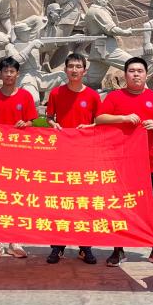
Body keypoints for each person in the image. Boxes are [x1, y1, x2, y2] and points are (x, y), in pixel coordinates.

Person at [95, 56, 153, 267]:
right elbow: (99, 119)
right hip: (121, 162)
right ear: (125, 75)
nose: (136, 74)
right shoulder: (115, 97)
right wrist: (122, 118)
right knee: (119, 204)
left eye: (140, 71)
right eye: (131, 71)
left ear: (146, 74)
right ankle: (118, 249)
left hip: (151, 161)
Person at [44, 52, 102, 265]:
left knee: (83, 202)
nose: (74, 70)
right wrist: (54, 125)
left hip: (85, 155)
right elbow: (49, 118)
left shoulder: (93, 96)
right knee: (61, 201)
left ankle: (85, 246)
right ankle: (57, 245)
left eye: (78, 67)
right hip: (62, 155)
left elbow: (101, 122)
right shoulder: (56, 93)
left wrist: (89, 126)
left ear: (84, 70)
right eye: (71, 66)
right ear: (65, 69)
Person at [0, 56, 39, 258]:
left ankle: (15, 241)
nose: (8, 74)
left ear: (17, 74)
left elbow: (32, 122)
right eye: (5, 71)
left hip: (19, 156)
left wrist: (25, 124)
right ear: (0, 74)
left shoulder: (25, 96)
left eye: (12, 71)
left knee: (17, 199)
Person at [82, 0, 135, 88]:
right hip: (107, 50)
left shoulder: (91, 11)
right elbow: (111, 29)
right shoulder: (98, 11)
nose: (107, 1)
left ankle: (65, 85)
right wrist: (125, 32)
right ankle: (143, 94)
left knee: (91, 81)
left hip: (99, 49)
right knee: (135, 65)